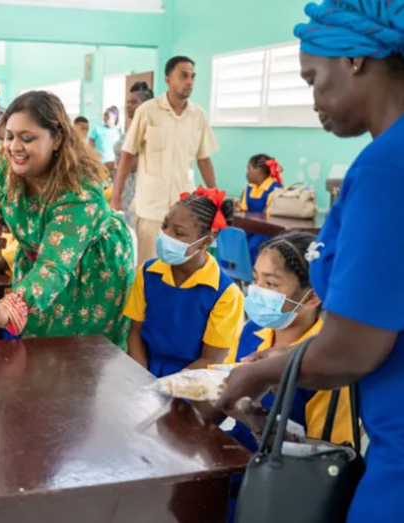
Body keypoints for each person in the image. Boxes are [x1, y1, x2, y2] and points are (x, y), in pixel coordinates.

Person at [216, 2, 404, 521]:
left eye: (313, 78)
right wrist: (281, 365)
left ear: (356, 61)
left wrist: (259, 376)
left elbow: (353, 350)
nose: (314, 99)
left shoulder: (388, 167)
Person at [0, 91, 134, 347]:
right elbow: (2, 197)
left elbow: (54, 266)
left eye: (27, 138)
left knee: (76, 354)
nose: (14, 147)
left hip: (89, 272)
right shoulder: (7, 160)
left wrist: (10, 307)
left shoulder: (79, 192)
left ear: (57, 138)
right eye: (9, 136)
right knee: (36, 343)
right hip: (37, 269)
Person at [227, 232, 353, 452]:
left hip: (280, 474)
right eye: (256, 279)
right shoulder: (253, 331)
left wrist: (254, 419)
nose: (256, 291)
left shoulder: (326, 365)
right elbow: (221, 383)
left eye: (272, 284)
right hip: (234, 453)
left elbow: (324, 454)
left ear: (312, 297)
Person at [123, 187, 243, 376]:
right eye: (165, 226)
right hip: (145, 369)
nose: (165, 235)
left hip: (194, 380)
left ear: (205, 242)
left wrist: (164, 388)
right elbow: (135, 332)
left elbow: (211, 359)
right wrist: (142, 378)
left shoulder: (224, 293)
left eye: (178, 233)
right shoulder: (148, 273)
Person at [112, 56, 220, 265]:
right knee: (148, 266)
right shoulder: (148, 111)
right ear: (168, 79)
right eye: (184, 76)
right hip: (152, 206)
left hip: (184, 206)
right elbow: (127, 156)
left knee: (181, 265)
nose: (190, 81)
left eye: (192, 77)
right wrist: (115, 197)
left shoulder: (198, 116)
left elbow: (204, 160)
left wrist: (215, 199)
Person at [113, 82, 155, 230]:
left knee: (135, 229)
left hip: (137, 187)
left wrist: (118, 164)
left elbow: (138, 161)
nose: (128, 106)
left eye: (134, 102)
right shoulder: (129, 129)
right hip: (124, 185)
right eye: (127, 102)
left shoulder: (149, 129)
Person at [240, 154, 284, 262]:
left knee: (252, 248)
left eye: (249, 168)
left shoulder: (275, 189)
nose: (247, 173)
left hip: (265, 232)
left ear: (258, 170)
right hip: (250, 229)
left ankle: (252, 276)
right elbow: (243, 209)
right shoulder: (249, 188)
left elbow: (270, 217)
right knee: (234, 242)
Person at [88, 107, 122, 172]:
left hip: (113, 164)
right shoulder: (97, 129)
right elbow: (89, 146)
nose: (105, 118)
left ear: (115, 118)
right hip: (100, 163)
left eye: (108, 116)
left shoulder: (118, 131)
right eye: (105, 115)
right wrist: (95, 154)